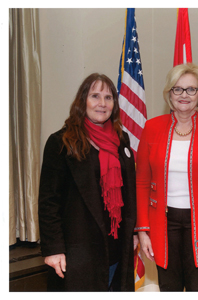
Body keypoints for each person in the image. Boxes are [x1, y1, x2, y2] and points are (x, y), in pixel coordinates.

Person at [135, 63, 198, 291]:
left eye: (191, 89)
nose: (184, 95)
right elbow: (141, 183)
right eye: (177, 89)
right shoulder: (152, 128)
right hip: (162, 223)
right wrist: (143, 231)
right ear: (169, 93)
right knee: (168, 287)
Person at [38, 73, 137, 291]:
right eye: (95, 96)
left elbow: (130, 191)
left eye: (108, 97)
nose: (102, 103)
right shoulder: (61, 143)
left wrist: (135, 232)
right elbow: (48, 202)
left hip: (117, 249)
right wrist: (53, 249)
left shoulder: (121, 140)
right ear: (82, 101)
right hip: (78, 251)